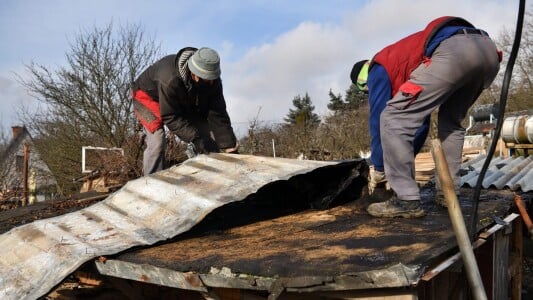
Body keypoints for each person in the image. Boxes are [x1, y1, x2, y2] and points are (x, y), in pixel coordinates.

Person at [350, 16, 501, 218]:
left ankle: (406, 201)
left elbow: (379, 120)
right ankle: (448, 194)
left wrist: (379, 167)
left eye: (366, 89)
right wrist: (399, 160)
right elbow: (420, 124)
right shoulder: (399, 63)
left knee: (392, 116)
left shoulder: (377, 68)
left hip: (453, 51)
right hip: (486, 50)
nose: (370, 91)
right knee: (451, 124)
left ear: (364, 80)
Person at [132, 47, 239, 175]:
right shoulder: (169, 79)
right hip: (146, 97)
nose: (211, 82)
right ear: (195, 75)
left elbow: (217, 112)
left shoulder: (212, 81)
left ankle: (213, 175)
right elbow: (171, 116)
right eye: (207, 79)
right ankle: (150, 181)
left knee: (206, 136)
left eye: (213, 78)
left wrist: (229, 146)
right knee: (157, 141)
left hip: (179, 98)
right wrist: (195, 139)